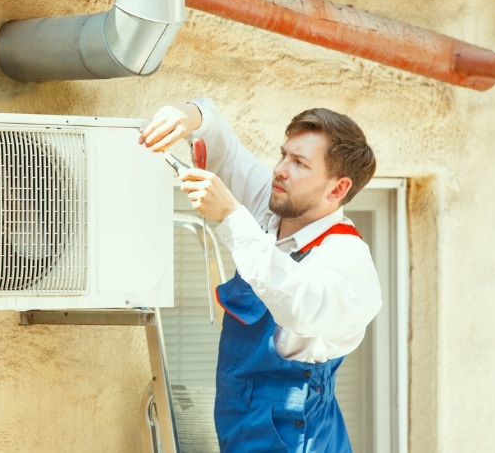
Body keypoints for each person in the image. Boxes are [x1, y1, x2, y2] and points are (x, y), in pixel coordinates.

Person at [138, 98, 381, 452]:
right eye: (283, 155)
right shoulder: (272, 209)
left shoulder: (348, 262)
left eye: (299, 163)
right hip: (240, 434)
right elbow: (225, 147)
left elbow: (301, 305)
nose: (280, 169)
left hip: (297, 442)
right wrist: (190, 116)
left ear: (338, 189)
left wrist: (232, 218)